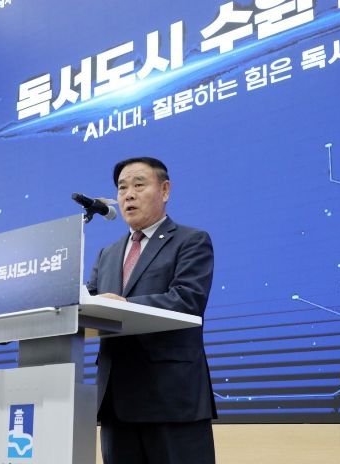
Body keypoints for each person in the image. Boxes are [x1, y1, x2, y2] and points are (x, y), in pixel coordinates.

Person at [87, 157, 217, 464]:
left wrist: (126, 305)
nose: (128, 195)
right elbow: (89, 304)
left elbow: (187, 299)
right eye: (122, 188)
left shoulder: (191, 241)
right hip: (117, 400)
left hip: (171, 397)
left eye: (138, 184)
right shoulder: (107, 254)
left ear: (165, 190)